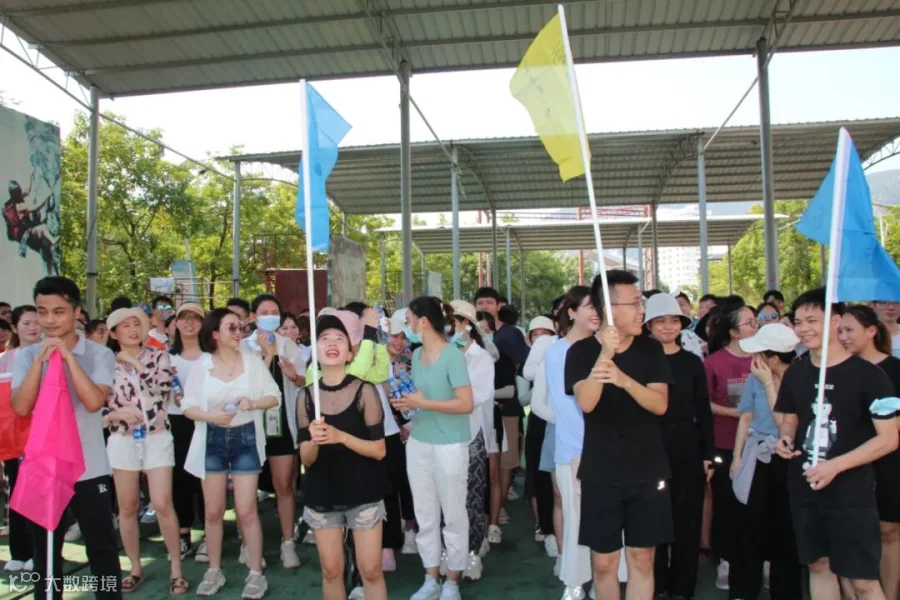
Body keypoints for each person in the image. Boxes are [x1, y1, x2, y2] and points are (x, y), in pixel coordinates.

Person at [775, 289, 899, 600]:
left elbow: (889, 438)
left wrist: (835, 466)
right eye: (798, 322)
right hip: (805, 487)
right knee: (819, 567)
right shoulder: (796, 372)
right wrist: (786, 438)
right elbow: (790, 418)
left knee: (863, 581)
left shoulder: (871, 376)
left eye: (812, 320)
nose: (804, 328)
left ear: (836, 321)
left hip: (851, 494)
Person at [11, 276, 122, 600]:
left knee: (101, 549)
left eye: (58, 311)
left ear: (75, 313)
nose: (49, 320)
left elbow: (94, 401)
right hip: (45, 470)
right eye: (42, 311)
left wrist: (69, 358)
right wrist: (40, 360)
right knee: (46, 555)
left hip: (90, 468)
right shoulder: (27, 356)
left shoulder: (100, 354)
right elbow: (21, 406)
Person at [565, 271, 673, 600]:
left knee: (642, 559)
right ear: (610, 310)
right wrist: (605, 355)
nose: (642, 311)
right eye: (635, 303)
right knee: (603, 563)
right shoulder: (580, 352)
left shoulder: (651, 350)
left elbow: (660, 405)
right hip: (601, 472)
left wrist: (624, 380)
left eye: (641, 303)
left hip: (647, 469)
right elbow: (587, 403)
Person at [181, 308, 281, 599]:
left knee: (246, 509)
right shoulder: (202, 365)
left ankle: (255, 573)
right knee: (213, 511)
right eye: (232, 328)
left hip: (245, 437)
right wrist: (209, 415)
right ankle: (214, 570)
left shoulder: (252, 362)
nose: (239, 333)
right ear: (215, 334)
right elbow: (187, 406)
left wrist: (252, 403)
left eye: (240, 328)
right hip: (211, 438)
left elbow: (274, 396)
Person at [298, 313, 389, 600]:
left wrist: (341, 437)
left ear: (350, 353)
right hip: (322, 493)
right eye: (324, 339)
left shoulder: (365, 391)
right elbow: (306, 459)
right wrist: (314, 440)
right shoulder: (306, 397)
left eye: (339, 339)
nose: (332, 343)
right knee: (331, 571)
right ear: (316, 352)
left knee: (371, 571)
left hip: (364, 491)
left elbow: (379, 450)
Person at [390, 296, 473, 600]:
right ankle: (431, 577)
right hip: (420, 441)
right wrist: (409, 404)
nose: (407, 327)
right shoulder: (416, 355)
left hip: (450, 443)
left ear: (423, 321)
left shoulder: (453, 355)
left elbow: (465, 404)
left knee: (453, 515)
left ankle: (452, 581)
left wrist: (422, 403)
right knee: (425, 514)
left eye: (409, 320)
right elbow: (421, 398)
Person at [103, 307, 188, 595]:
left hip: (156, 436)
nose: (132, 330)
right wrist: (115, 415)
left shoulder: (158, 356)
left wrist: (135, 364)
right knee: (127, 506)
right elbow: (96, 404)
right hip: (122, 439)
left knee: (162, 503)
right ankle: (135, 568)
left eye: (136, 324)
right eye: (125, 326)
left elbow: (162, 387)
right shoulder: (105, 363)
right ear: (114, 333)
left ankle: (176, 570)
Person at [643, 293, 715, 600]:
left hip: (687, 446)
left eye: (674, 321)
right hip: (649, 447)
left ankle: (683, 588)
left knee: (688, 520)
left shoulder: (692, 362)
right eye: (660, 321)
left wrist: (708, 454)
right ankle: (657, 584)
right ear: (649, 325)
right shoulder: (640, 361)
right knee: (654, 520)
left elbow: (703, 409)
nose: (668, 327)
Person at [729, 323, 802, 600]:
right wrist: (736, 457)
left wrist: (770, 383)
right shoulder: (754, 378)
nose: (753, 357)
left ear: (773, 357)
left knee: (786, 530)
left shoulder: (800, 378)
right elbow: (746, 416)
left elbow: (783, 421)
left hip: (789, 458)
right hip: (758, 456)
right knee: (749, 527)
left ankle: (786, 592)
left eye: (758, 352)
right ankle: (743, 591)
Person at [240, 293, 306, 569]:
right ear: (253, 316)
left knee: (284, 486)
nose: (270, 316)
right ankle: (247, 543)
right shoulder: (243, 346)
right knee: (246, 489)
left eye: (274, 312)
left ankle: (287, 542)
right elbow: (247, 387)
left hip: (282, 425)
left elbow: (302, 381)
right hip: (249, 425)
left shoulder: (288, 345)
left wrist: (294, 375)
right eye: (264, 312)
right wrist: (267, 356)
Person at [839, 305, 900, 600]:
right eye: (839, 330)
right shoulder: (836, 370)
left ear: (871, 331)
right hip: (845, 463)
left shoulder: (894, 369)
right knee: (847, 535)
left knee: (888, 531)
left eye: (849, 330)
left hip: (888, 460)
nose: (843, 336)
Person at [547, 286, 598, 600]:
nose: (596, 312)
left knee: (609, 523)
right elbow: (565, 406)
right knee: (576, 518)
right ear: (571, 312)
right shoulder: (559, 351)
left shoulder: (606, 347)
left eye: (599, 306)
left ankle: (605, 582)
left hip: (609, 450)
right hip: (574, 451)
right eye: (589, 306)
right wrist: (584, 447)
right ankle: (576, 582)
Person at [704, 302, 757, 590]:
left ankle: (759, 560)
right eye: (749, 322)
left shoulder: (763, 358)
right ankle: (725, 559)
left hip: (758, 445)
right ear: (734, 332)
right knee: (726, 504)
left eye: (755, 321)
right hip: (724, 443)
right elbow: (703, 403)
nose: (755, 326)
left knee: (757, 506)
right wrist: (735, 413)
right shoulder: (714, 363)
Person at [475, 287, 528, 529]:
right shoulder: (468, 337)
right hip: (477, 411)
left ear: (499, 306)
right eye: (480, 302)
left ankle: (500, 504)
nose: (484, 306)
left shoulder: (510, 334)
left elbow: (521, 367)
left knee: (505, 462)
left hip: (506, 408)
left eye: (489, 302)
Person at [449, 300, 496, 580]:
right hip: (442, 436)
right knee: (446, 499)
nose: (448, 329)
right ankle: (449, 553)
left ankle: (472, 553)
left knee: (472, 498)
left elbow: (476, 397)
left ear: (466, 325)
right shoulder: (439, 355)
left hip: (471, 435)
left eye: (453, 322)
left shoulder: (481, 358)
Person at [0, 304, 41, 573]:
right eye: (26, 323)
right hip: (14, 438)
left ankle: (41, 552)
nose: (33, 327)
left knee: (40, 495)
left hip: (43, 436)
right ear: (15, 327)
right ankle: (20, 551)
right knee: (17, 491)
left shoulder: (51, 354)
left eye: (36, 322)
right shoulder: (5, 359)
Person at [169, 303, 207, 562]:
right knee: (179, 478)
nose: (189, 323)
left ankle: (208, 534)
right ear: (176, 323)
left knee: (205, 478)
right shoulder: (167, 358)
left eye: (195, 318)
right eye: (184, 318)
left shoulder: (211, 356)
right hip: (176, 421)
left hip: (205, 421)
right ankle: (182, 533)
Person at [523, 314, 563, 564]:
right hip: (544, 419)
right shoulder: (546, 348)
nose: (539, 337)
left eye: (544, 332)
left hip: (575, 424)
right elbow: (528, 373)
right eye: (534, 334)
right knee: (542, 476)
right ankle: (547, 529)